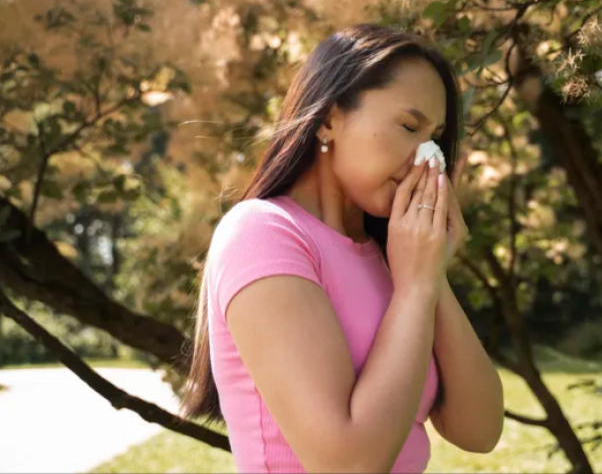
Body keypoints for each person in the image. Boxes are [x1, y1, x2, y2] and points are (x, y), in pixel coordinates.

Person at [180, 24, 504, 473]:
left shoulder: (393, 258)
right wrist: (413, 289)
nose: (428, 157)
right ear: (330, 117)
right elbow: (347, 464)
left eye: (435, 137)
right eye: (410, 126)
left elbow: (479, 430)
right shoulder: (263, 233)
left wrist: (430, 275)